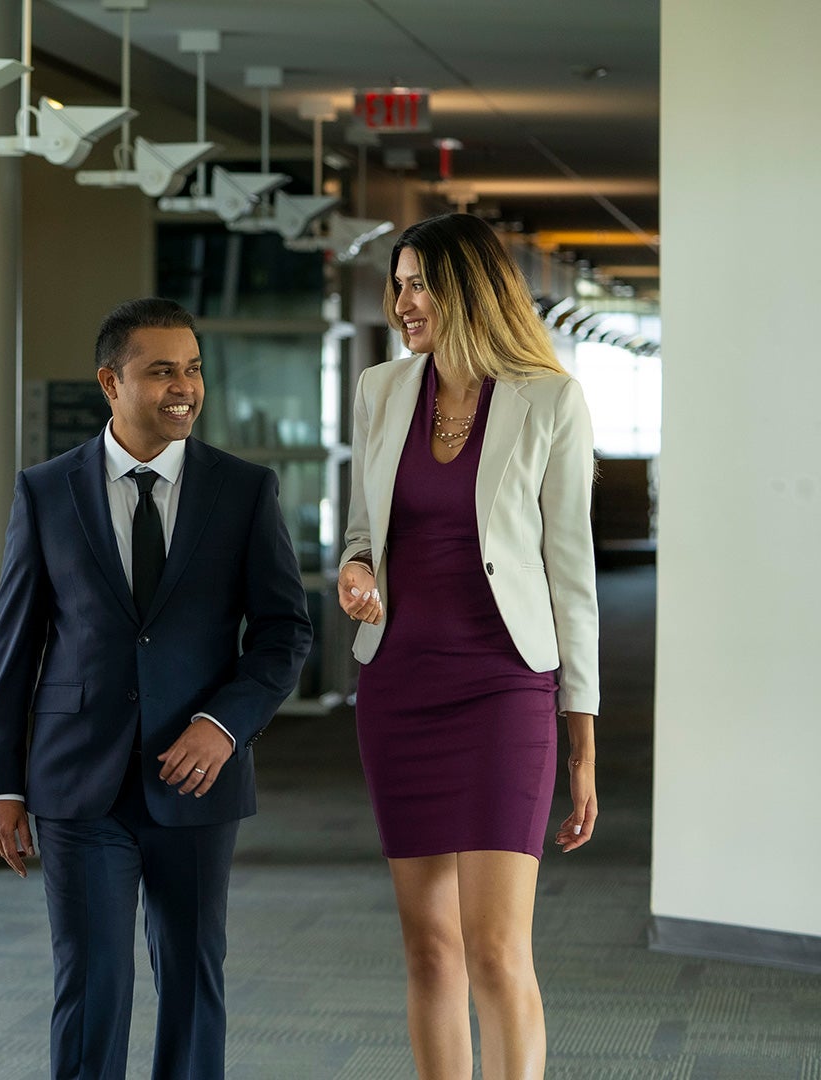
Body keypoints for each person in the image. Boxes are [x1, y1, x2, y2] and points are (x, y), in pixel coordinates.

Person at [0, 298, 313, 1079]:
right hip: (75, 779)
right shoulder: (45, 490)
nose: (184, 388)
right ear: (110, 381)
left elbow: (282, 633)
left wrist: (223, 726)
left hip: (195, 777)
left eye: (192, 370)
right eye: (161, 371)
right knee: (92, 984)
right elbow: (14, 644)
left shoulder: (244, 490)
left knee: (193, 978)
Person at [338, 212, 600, 1080]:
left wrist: (582, 739)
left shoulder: (549, 399)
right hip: (399, 686)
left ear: (469, 290)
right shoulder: (382, 390)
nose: (403, 301)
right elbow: (362, 531)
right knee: (430, 951)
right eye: (401, 283)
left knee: (494, 951)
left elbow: (573, 572)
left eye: (421, 284)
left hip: (504, 689)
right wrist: (356, 570)